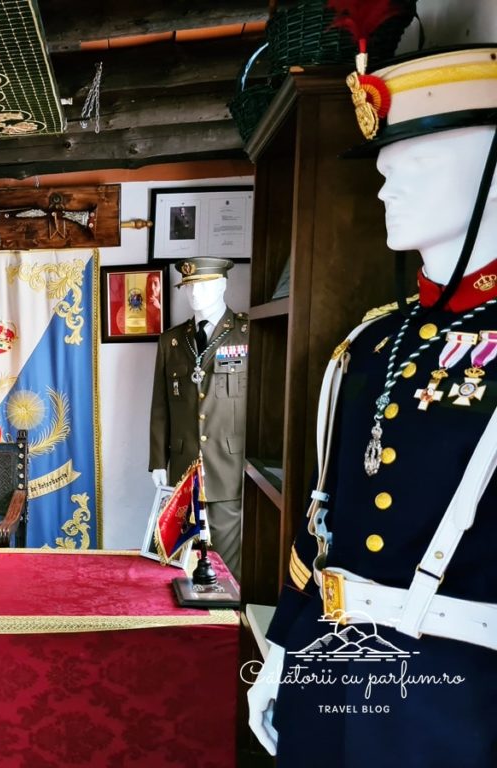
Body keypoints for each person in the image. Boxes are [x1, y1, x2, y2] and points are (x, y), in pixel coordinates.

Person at [247, 47, 497, 767]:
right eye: (384, 171)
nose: (386, 190)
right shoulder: (369, 343)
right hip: (329, 663)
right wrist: (285, 654)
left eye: (413, 169)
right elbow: (323, 525)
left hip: (454, 694)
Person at [149, 257, 247, 575]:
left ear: (222, 285)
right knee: (181, 558)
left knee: (227, 561)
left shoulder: (247, 335)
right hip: (182, 464)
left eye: (202, 286)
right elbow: (161, 406)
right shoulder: (172, 342)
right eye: (188, 287)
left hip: (228, 465)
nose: (194, 295)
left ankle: (224, 620)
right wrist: (157, 461)